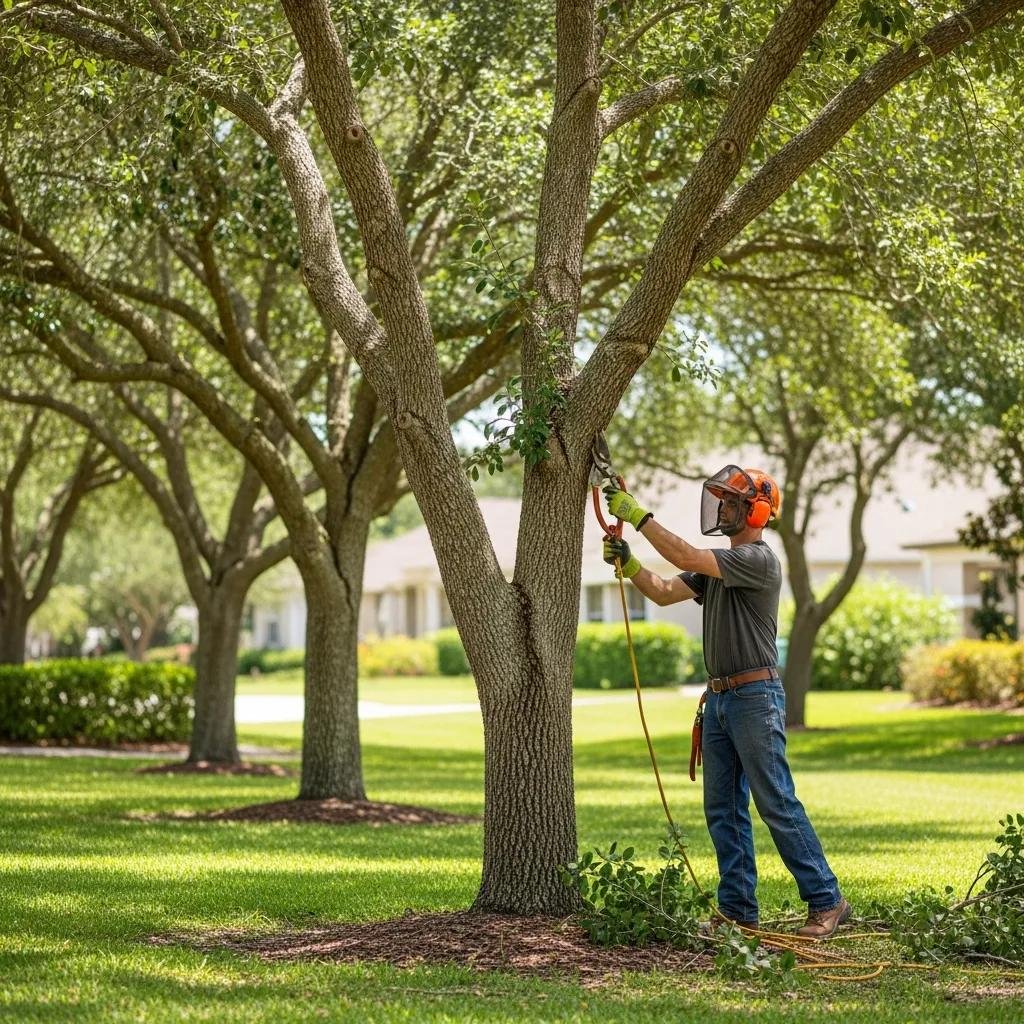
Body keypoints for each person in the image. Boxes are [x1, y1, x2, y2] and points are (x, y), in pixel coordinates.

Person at [602, 466, 850, 939]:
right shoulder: (715, 569)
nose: (721, 507)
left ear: (756, 511)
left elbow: (686, 552)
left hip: (756, 698)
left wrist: (637, 516)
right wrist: (630, 564)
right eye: (720, 499)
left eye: (732, 501)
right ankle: (737, 910)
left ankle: (827, 899)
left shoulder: (758, 559)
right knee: (723, 810)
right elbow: (664, 591)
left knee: (774, 800)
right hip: (718, 701)